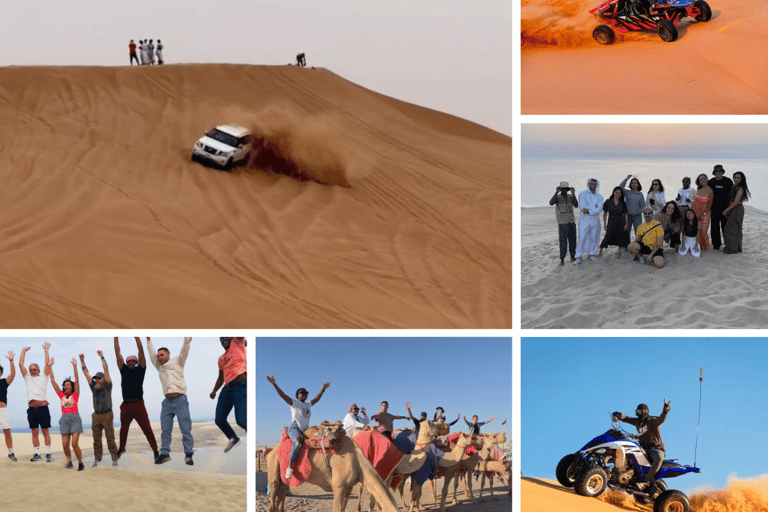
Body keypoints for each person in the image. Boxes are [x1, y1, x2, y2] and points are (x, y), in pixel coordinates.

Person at [266, 375, 329, 479]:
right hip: (295, 428)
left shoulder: (308, 404)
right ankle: (290, 467)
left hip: (306, 429)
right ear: (297, 395)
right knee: (299, 440)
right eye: (303, 393)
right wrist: (274, 384)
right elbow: (283, 395)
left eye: (306, 393)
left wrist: (323, 389)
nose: (305, 395)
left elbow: (317, 399)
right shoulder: (294, 403)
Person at [148, 337, 194, 465]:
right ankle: (165, 454)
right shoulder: (160, 367)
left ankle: (188, 454)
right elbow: (152, 355)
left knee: (185, 428)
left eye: (162, 355)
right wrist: (148, 340)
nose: (159, 357)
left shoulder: (178, 361)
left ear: (168, 355)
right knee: (165, 429)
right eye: (158, 356)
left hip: (180, 399)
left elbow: (185, 350)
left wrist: (187, 338)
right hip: (167, 402)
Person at [114, 337, 159, 461]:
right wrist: (116, 337)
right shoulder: (123, 370)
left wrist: (136, 336)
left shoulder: (141, 370)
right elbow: (117, 353)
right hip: (126, 406)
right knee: (123, 430)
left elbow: (141, 352)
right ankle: (122, 448)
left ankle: (155, 451)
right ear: (126, 363)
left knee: (147, 429)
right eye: (129, 362)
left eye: (134, 361)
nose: (131, 363)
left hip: (139, 404)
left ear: (137, 362)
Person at [613, 401, 671, 491]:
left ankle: (646, 482)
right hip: (643, 448)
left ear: (645, 412)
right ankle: (621, 476)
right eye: (638, 412)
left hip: (656, 449)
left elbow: (661, 419)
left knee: (659, 458)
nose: (639, 414)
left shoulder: (653, 421)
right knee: (627, 452)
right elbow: (626, 418)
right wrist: (618, 415)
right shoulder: (637, 422)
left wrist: (665, 411)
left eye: (641, 412)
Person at [80, 351, 119, 466]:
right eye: (95, 378)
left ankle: (114, 459)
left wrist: (102, 357)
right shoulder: (93, 387)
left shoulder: (107, 386)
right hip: (96, 415)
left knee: (110, 438)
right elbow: (85, 373)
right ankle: (97, 459)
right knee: (96, 439)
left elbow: (106, 371)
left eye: (99, 378)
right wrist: (82, 360)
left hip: (107, 414)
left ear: (103, 379)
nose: (97, 380)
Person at [210, 337, 247, 453]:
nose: (223, 339)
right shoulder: (221, 359)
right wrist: (214, 390)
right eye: (221, 339)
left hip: (241, 387)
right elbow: (221, 378)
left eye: (226, 336)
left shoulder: (237, 343)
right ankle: (233, 438)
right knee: (219, 419)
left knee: (242, 421)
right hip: (227, 389)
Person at [49, 357, 85, 470]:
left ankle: (80, 463)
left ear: (72, 387)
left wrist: (75, 367)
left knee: (74, 444)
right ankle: (69, 462)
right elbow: (53, 382)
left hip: (75, 418)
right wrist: (50, 367)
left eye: (68, 385)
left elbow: (77, 380)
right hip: (64, 419)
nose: (66, 386)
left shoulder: (76, 395)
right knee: (65, 445)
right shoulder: (61, 395)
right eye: (65, 385)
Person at [19, 344, 54, 462]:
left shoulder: (44, 377)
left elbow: (47, 364)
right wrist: (23, 351)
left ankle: (48, 454)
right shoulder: (27, 378)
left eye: (34, 369)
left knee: (45, 431)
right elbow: (20, 365)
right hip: (32, 409)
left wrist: (46, 350)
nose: (32, 371)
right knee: (34, 432)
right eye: (31, 370)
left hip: (43, 408)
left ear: (38, 370)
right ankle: (37, 454)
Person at [573, 178, 603, 265]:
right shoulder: (582, 194)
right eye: (591, 184)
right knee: (582, 238)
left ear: (596, 185)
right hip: (584, 220)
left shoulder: (599, 196)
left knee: (594, 237)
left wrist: (590, 210)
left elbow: (600, 209)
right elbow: (583, 207)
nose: (593, 185)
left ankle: (592, 254)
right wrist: (594, 207)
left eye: (594, 184)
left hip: (595, 221)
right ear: (588, 184)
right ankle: (578, 256)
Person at [550, 181, 578, 265]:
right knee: (563, 241)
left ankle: (572, 257)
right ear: (560, 189)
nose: (565, 190)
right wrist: (556, 192)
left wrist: (573, 194)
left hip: (571, 221)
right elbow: (551, 203)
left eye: (566, 189)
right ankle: (562, 259)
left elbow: (576, 205)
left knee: (573, 240)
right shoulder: (557, 197)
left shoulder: (570, 196)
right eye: (563, 189)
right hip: (562, 223)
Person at [722, 171, 751, 254]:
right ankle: (732, 247)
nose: (736, 179)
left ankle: (733, 249)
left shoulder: (740, 188)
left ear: (742, 179)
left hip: (737, 209)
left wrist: (726, 210)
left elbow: (735, 202)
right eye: (735, 177)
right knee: (730, 228)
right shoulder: (734, 186)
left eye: (738, 178)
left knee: (733, 229)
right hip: (733, 208)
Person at [599, 186, 629, 258]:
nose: (618, 194)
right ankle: (600, 252)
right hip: (611, 221)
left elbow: (626, 214)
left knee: (621, 236)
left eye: (619, 193)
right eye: (616, 192)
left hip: (621, 222)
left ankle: (619, 253)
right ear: (613, 192)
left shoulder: (623, 203)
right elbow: (605, 213)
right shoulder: (608, 201)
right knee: (607, 236)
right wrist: (605, 224)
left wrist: (626, 224)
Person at [708, 165, 734, 251]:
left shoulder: (728, 181)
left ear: (722, 172)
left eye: (720, 171)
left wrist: (732, 205)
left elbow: (733, 192)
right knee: (714, 227)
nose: (718, 173)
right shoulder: (710, 182)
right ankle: (716, 245)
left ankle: (728, 244)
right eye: (716, 172)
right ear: (714, 173)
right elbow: (705, 192)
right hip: (714, 209)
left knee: (725, 227)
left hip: (725, 209)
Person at [619, 175, 646, 252]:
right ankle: (626, 247)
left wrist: (638, 211)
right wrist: (626, 179)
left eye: (635, 183)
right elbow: (620, 188)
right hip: (628, 216)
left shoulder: (640, 194)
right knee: (626, 231)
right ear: (630, 185)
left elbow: (643, 206)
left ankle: (638, 246)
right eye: (632, 183)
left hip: (637, 216)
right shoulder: (627, 192)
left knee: (638, 232)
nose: (634, 184)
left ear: (638, 184)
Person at [1, 352, 17, 461]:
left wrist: (11, 361)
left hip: (2, 410)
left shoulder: (3, 382)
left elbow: (13, 374)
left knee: (7, 432)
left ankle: (11, 453)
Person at [692, 174, 713, 251]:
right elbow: (696, 201)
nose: (702, 181)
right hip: (695, 211)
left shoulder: (710, 191)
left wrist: (703, 214)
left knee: (703, 231)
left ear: (707, 179)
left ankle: (705, 246)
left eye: (704, 179)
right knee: (696, 229)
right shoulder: (698, 188)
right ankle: (697, 245)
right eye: (700, 180)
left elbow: (710, 204)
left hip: (705, 213)